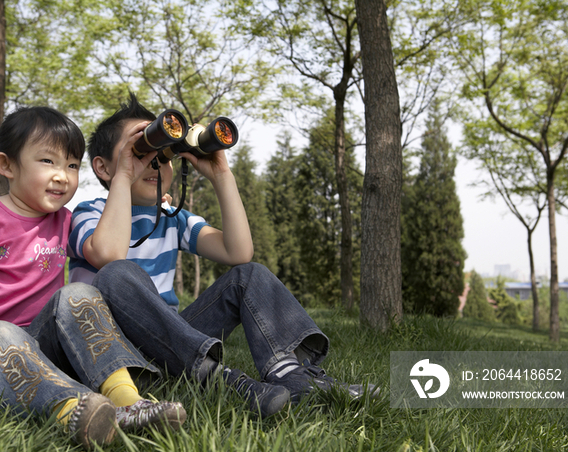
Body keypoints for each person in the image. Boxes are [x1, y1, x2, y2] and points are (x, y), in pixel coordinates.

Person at [68, 94, 378, 419]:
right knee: (116, 274)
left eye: (163, 154)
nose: (154, 163)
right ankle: (220, 378)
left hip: (175, 340)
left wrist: (220, 175)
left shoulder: (172, 217)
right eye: (141, 151)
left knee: (251, 274)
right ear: (102, 167)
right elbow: (108, 254)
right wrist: (124, 177)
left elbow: (238, 251)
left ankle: (293, 374)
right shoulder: (90, 213)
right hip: (114, 351)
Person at [0, 106, 186, 451]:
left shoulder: (65, 221)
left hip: (43, 344)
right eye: (47, 162)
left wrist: (138, 189)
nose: (62, 176)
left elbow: (108, 248)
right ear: (6, 165)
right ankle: (71, 409)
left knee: (79, 292)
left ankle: (128, 402)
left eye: (71, 165)